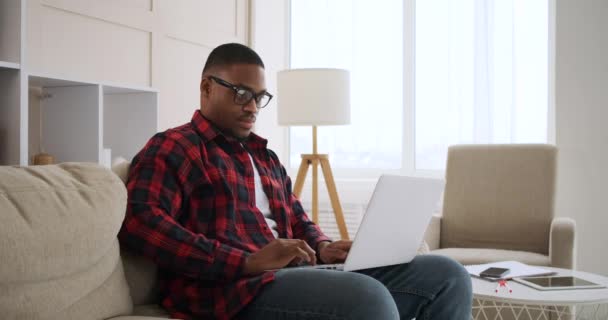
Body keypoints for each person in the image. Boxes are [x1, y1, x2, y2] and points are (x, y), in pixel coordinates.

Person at [118, 43, 472, 320]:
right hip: (234, 289)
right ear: (206, 87)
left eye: (260, 97)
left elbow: (298, 220)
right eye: (241, 93)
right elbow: (141, 223)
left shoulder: (265, 157)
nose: (253, 106)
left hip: (294, 275)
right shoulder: (174, 147)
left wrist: (321, 247)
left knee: (447, 275)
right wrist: (244, 261)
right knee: (367, 297)